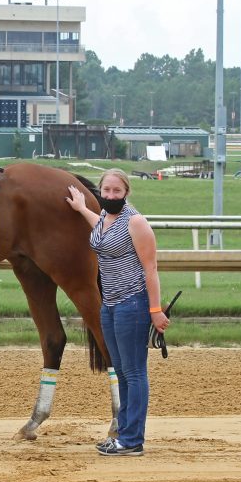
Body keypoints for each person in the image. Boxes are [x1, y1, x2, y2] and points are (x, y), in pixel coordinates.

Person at [66, 169, 169, 457]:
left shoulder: (135, 222)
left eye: (116, 191)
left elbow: (151, 269)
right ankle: (124, 434)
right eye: (106, 191)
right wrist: (81, 208)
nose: (110, 196)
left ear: (126, 193)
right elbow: (100, 228)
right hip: (109, 306)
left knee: (134, 373)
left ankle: (133, 439)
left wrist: (156, 310)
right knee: (122, 372)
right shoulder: (104, 217)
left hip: (132, 303)